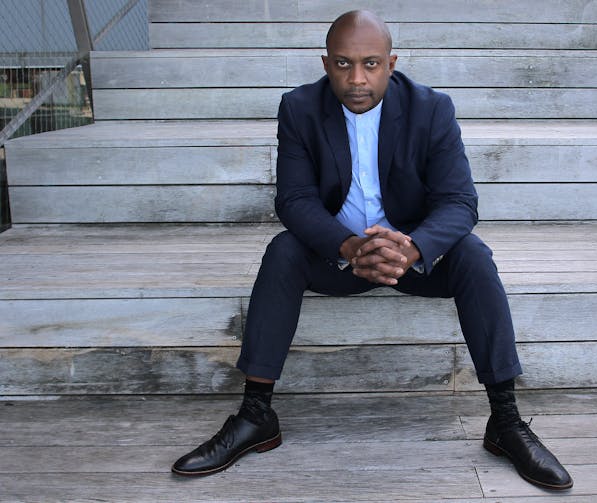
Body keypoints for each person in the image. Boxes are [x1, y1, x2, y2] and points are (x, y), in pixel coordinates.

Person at [172, 10, 573, 490]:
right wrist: (348, 246)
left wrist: (413, 249)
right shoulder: (300, 108)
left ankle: (505, 422)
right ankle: (256, 415)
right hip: (338, 259)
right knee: (282, 251)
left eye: (370, 64)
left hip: (411, 260)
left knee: (473, 254)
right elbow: (294, 199)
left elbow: (459, 202)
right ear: (325, 63)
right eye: (343, 64)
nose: (356, 78)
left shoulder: (431, 109)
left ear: (392, 63)